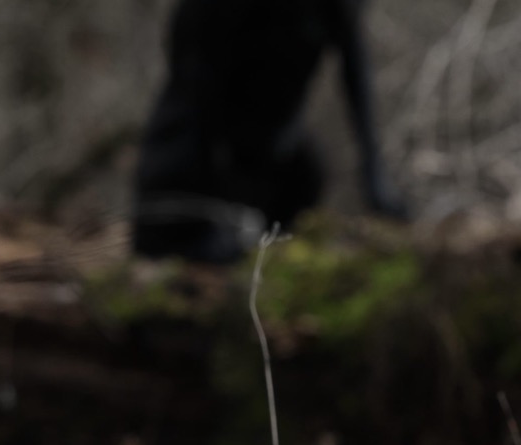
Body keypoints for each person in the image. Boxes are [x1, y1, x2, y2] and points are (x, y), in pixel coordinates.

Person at [132, 0, 406, 263]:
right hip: (194, 153)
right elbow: (196, 78)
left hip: (274, 155)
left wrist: (374, 172)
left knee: (309, 172)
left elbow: (353, 54)